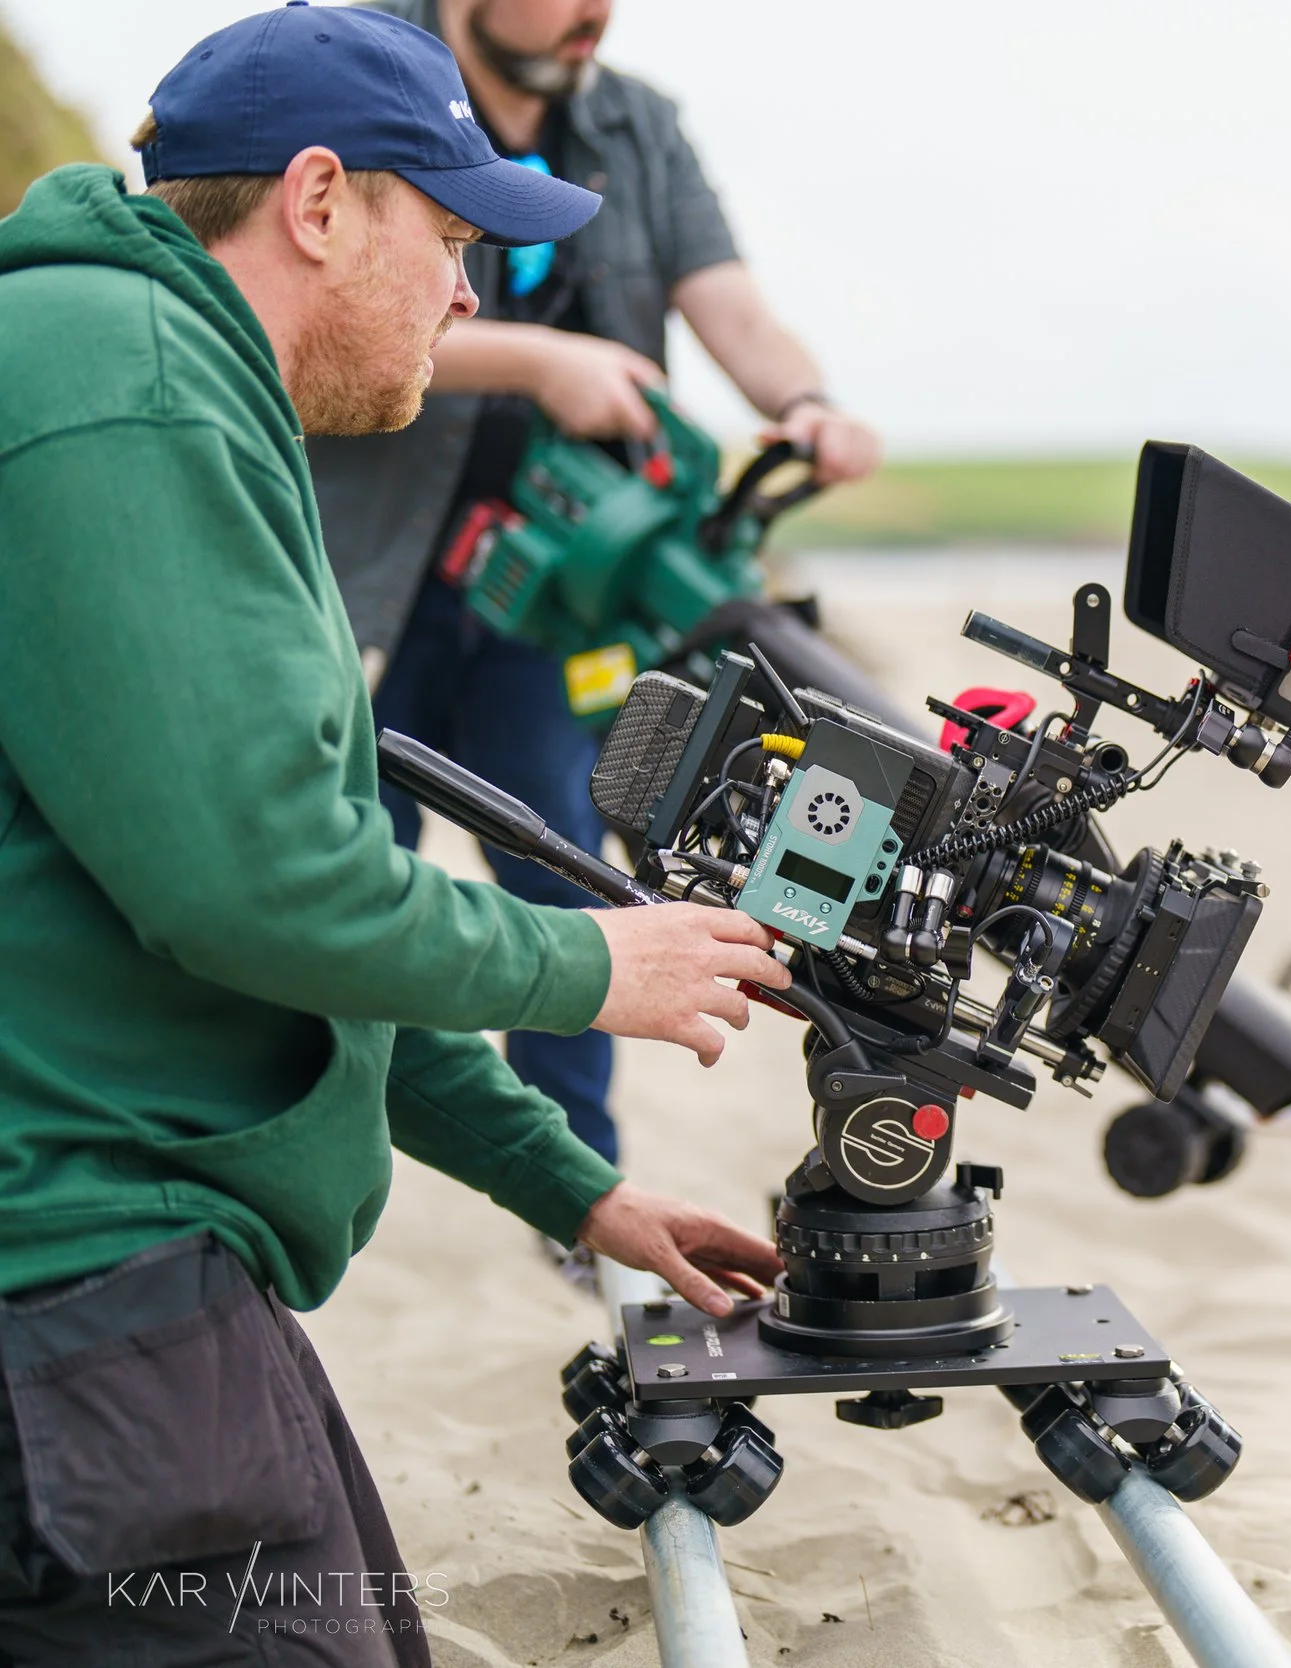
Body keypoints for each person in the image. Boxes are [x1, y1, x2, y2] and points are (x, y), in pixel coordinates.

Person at [0, 5, 797, 1658]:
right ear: (313, 202)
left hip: (138, 1230)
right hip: (66, 1250)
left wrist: (576, 1188)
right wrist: (592, 963)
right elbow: (260, 887)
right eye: (447, 236)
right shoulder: (124, 388)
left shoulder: (177, 382)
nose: (469, 293)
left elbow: (317, 886)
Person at [309, 0, 884, 1171]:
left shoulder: (638, 126)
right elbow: (314, 310)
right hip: (368, 579)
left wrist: (806, 405)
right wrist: (538, 360)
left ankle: (577, 1187)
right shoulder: (366, 74)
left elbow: (734, 310)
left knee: (568, 871)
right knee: (344, 881)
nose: (595, 15)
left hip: (561, 600)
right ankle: (319, 1158)